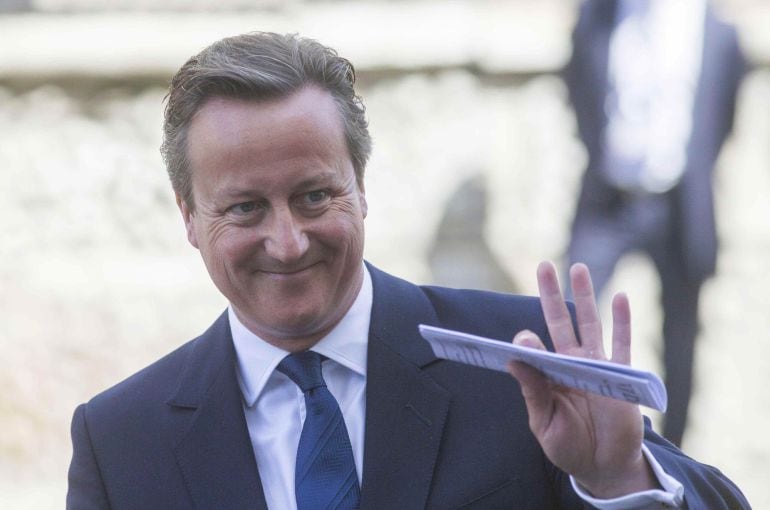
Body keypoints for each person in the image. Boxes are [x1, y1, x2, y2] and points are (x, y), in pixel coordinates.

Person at [67, 32, 749, 509]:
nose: (287, 241)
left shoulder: (521, 362)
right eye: (244, 209)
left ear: (361, 187)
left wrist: (618, 479)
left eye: (313, 196)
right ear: (188, 216)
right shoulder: (122, 441)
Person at [563, 0, 746, 446]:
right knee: (566, 315)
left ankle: (676, 461)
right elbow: (578, 83)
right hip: (609, 200)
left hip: (679, 206)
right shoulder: (598, 16)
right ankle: (564, 447)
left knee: (680, 341)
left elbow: (721, 117)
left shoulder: (715, 29)